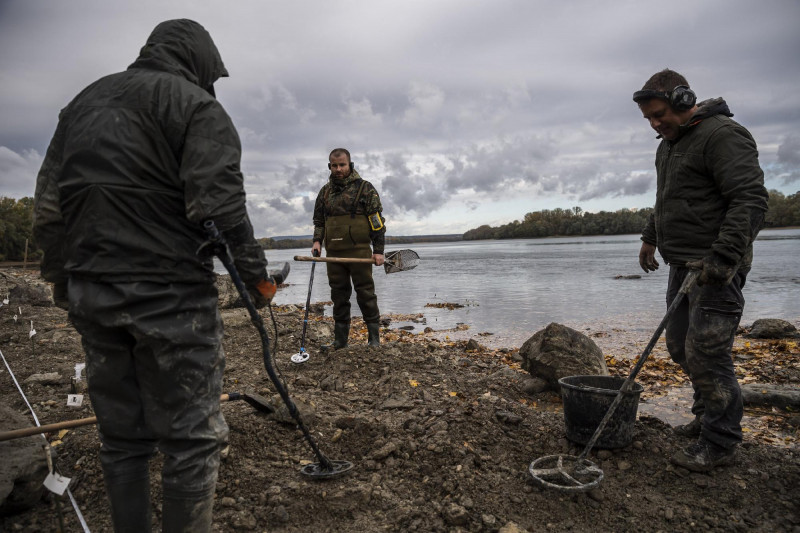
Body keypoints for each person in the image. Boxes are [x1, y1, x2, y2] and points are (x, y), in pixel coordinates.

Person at [33, 19, 277, 532]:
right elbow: (222, 207)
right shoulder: (196, 106)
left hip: (92, 293)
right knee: (192, 440)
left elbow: (50, 210)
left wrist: (62, 282)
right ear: (200, 62)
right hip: (171, 297)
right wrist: (257, 279)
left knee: (122, 439)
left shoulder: (81, 106)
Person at [633, 69, 768, 472]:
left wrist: (723, 258)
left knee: (708, 355)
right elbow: (667, 198)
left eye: (659, 115)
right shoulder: (669, 145)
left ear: (682, 99)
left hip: (716, 269)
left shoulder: (722, 135)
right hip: (682, 264)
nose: (656, 125)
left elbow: (750, 200)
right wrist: (650, 237)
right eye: (649, 120)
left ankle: (721, 442)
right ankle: (705, 415)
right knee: (679, 347)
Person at [311, 148, 386, 349]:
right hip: (333, 254)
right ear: (329, 166)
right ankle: (340, 340)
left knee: (365, 293)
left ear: (350, 165)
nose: (338, 169)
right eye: (334, 165)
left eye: (342, 165)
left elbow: (377, 223)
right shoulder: (325, 192)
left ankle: (374, 339)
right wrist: (317, 241)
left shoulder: (365, 188)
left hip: (359, 252)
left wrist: (378, 250)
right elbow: (319, 221)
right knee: (338, 295)